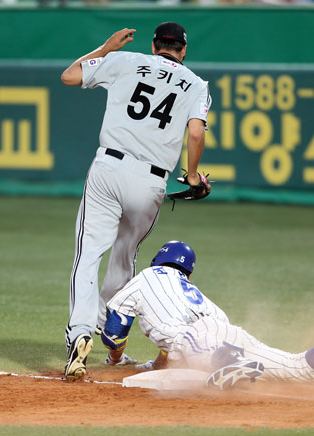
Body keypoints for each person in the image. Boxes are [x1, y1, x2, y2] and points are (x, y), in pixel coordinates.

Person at [60, 22, 212, 382]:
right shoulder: (195, 84)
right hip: (151, 181)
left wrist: (105, 48)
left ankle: (80, 333)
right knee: (124, 257)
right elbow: (195, 131)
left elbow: (69, 76)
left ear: (155, 45)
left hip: (109, 166)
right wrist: (192, 175)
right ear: (183, 50)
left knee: (88, 255)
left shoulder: (127, 61)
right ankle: (111, 335)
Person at [100, 241, 314, 389]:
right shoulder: (195, 295)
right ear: (188, 273)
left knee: (206, 358)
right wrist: (157, 362)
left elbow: (114, 330)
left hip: (203, 342)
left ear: (157, 261)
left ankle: (232, 363)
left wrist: (116, 360)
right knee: (294, 365)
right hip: (226, 331)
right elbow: (191, 338)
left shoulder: (144, 277)